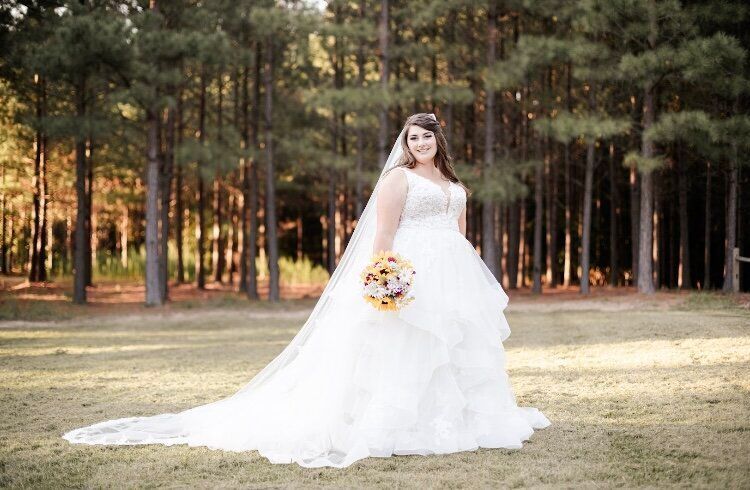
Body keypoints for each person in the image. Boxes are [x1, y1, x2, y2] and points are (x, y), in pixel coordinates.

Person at [63, 113, 550, 468]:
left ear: (438, 140)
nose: (420, 143)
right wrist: (385, 278)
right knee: (404, 345)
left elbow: (458, 232)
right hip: (410, 270)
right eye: (412, 137)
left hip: (452, 272)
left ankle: (461, 417)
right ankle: (395, 422)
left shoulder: (450, 180)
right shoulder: (397, 180)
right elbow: (382, 235)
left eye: (426, 136)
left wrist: (465, 274)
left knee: (456, 344)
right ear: (405, 144)